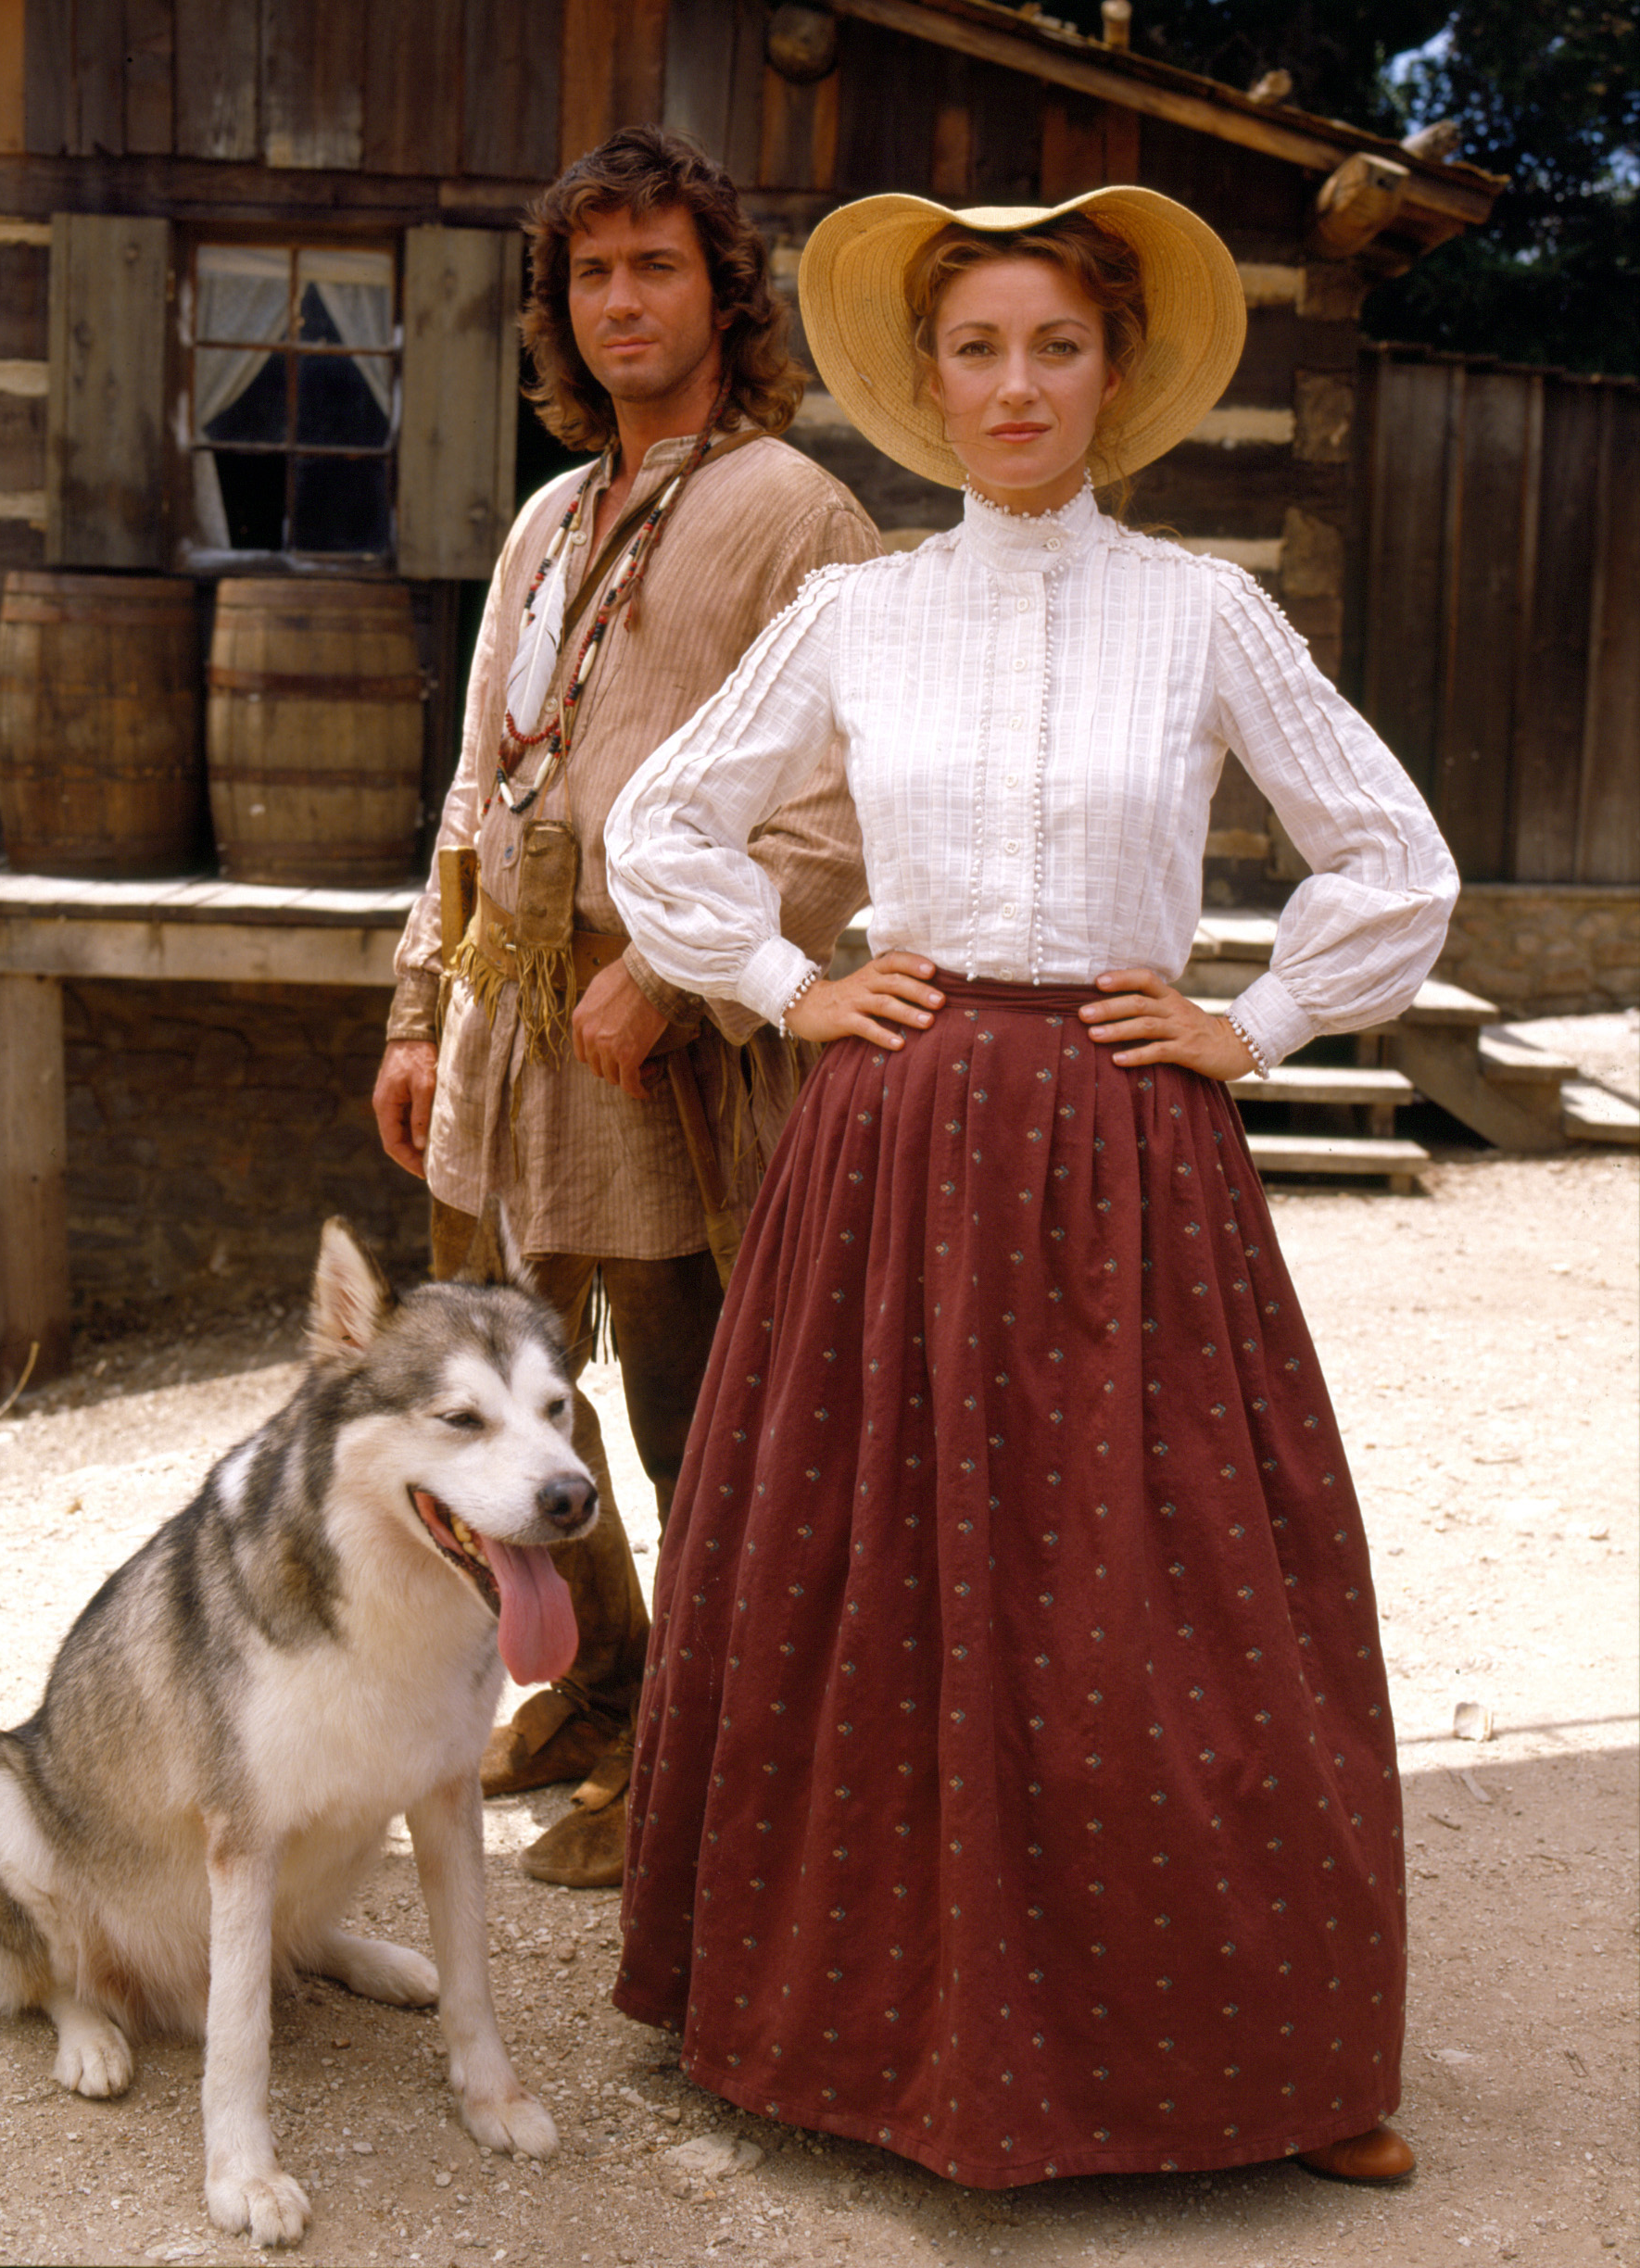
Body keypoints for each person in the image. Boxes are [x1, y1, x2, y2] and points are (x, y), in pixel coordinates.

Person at [603, 186, 1458, 2187]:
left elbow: (1386, 852)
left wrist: (1253, 1024)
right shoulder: (859, 611)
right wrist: (785, 984)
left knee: (1172, 1584)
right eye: (976, 349)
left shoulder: (1204, 612)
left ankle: (1271, 2062)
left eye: (1053, 348)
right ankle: (835, 2029)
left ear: (1113, 375)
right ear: (927, 381)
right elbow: (672, 820)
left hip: (1125, 1136)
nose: (1014, 386)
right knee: (868, 1563)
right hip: (896, 1128)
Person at [373, 127, 878, 1890]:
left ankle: (703, 1763)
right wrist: (414, 1013)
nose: (620, 303)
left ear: (723, 296)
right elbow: (474, 787)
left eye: (656, 266)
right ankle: (601, 1684)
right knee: (509, 1400)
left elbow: (833, 810)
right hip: (505, 1045)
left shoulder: (795, 514)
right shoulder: (545, 515)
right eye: (592, 274)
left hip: (656, 1060)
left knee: (690, 1420)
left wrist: (671, 978)